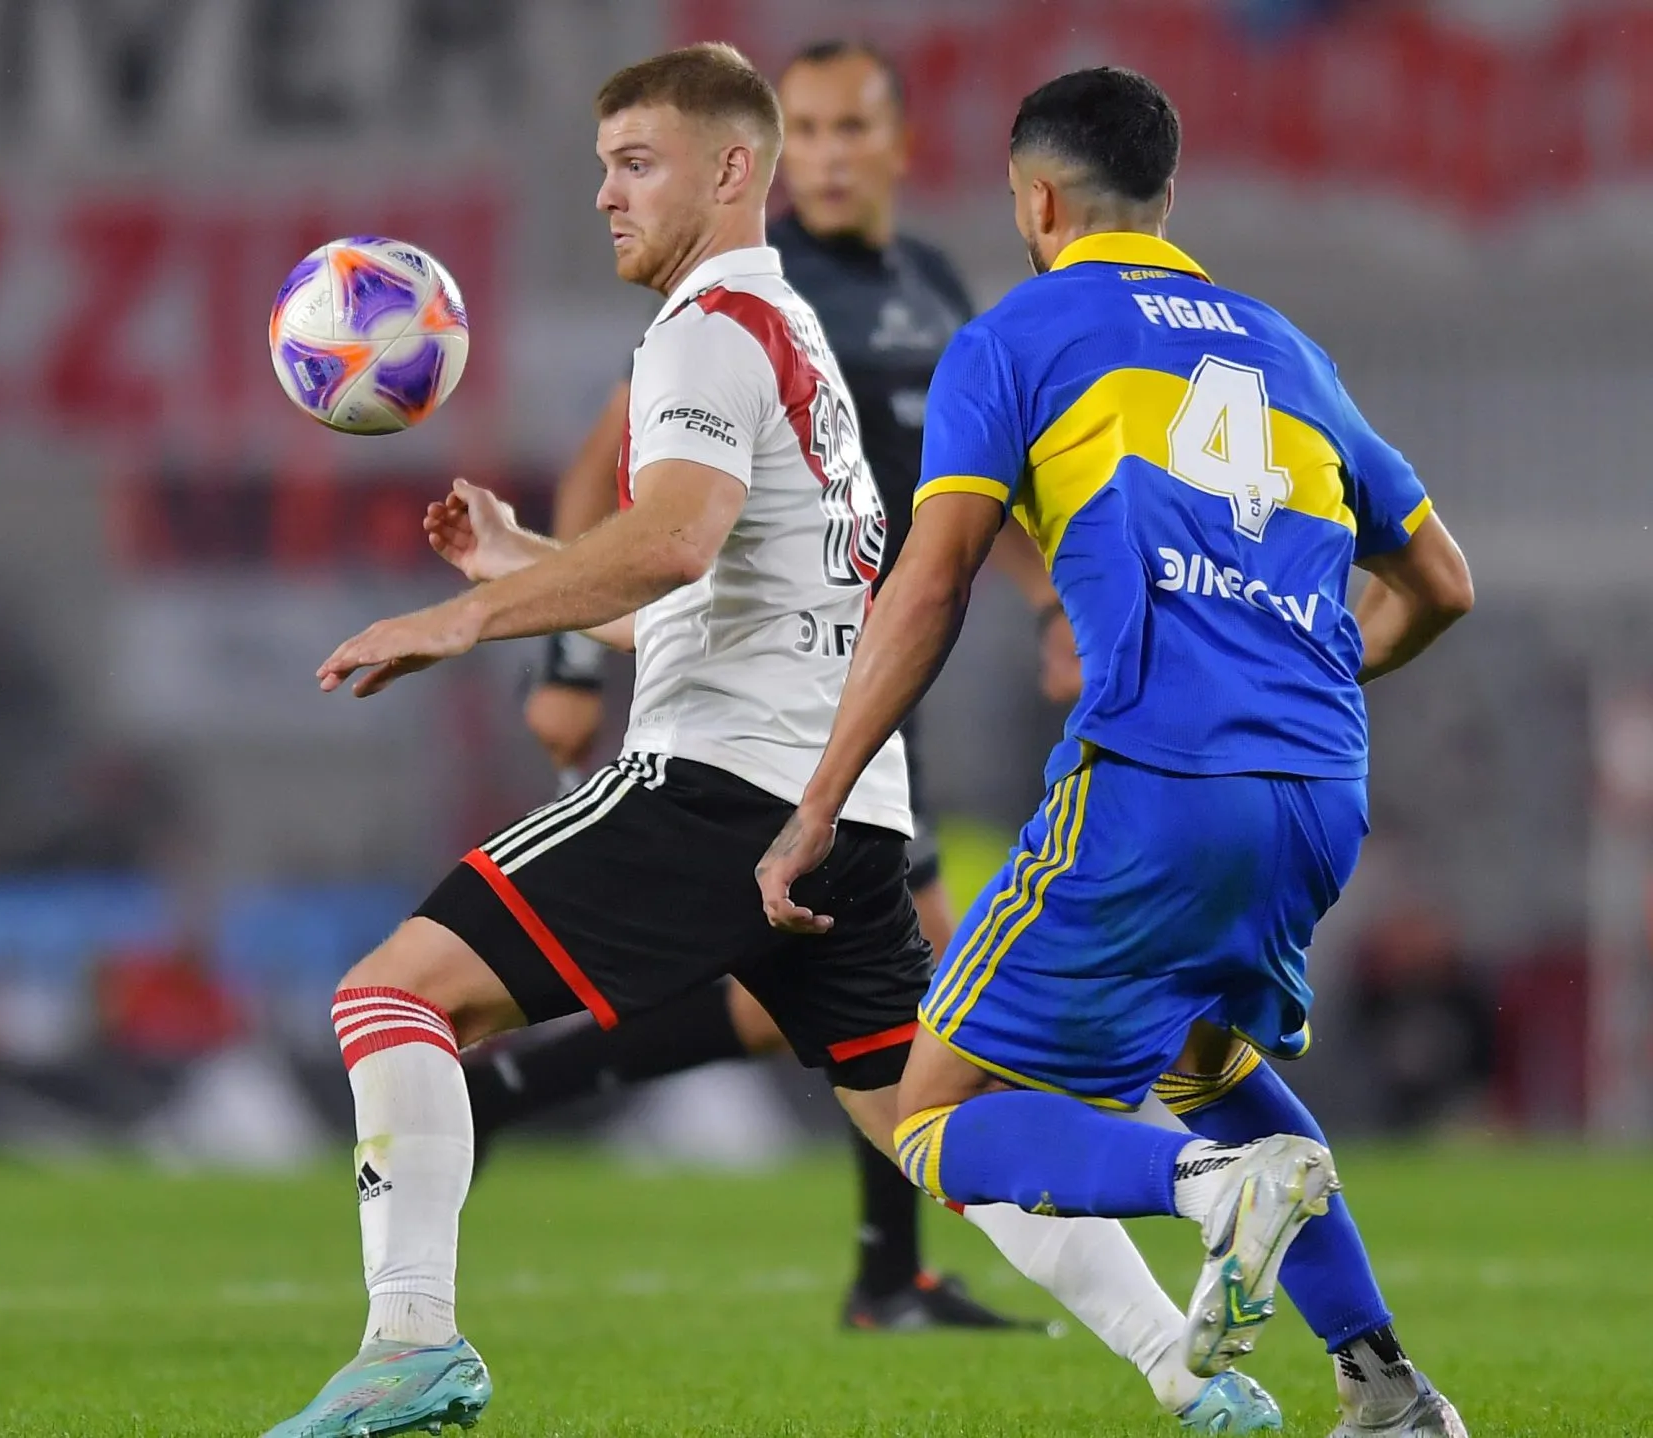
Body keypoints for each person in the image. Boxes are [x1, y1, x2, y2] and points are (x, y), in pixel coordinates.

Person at [264, 45, 1279, 1438]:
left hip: (722, 794)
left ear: (733, 169)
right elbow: (737, 599)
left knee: (393, 997)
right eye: (603, 165)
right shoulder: (786, 329)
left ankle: (410, 1342)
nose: (609, 194)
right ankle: (1199, 1336)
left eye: (637, 162)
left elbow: (676, 542)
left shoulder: (706, 332)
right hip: (844, 810)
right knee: (929, 1128)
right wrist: (533, 556)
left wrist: (469, 620)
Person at [754, 67, 1474, 1438]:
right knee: (1204, 1050)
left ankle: (1211, 1189)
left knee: (931, 1117)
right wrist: (1321, 663)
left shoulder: (1018, 334)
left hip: (1157, 782)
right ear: (1165, 197)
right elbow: (1442, 579)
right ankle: (1389, 1389)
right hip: (1319, 789)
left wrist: (817, 805)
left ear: (1035, 198)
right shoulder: (1286, 349)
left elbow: (932, 580)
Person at [473, 38, 1081, 1335]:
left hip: (874, 683)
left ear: (902, 144)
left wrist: (1048, 599)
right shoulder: (749, 288)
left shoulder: (928, 284)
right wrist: (571, 653)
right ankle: (891, 1273)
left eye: (853, 126)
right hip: (772, 704)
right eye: (803, 129)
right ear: (773, 151)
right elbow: (600, 484)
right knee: (887, 997)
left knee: (793, 1003)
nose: (829, 152)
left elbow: (965, 485)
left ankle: (517, 1093)